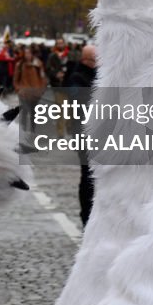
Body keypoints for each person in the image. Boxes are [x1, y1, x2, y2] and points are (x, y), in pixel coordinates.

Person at [64, 44, 98, 226]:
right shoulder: (77, 78)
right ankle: (86, 216)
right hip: (84, 133)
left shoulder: (94, 75)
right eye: (96, 60)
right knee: (88, 176)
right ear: (87, 61)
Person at [12, 45, 48, 132]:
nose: (27, 55)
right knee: (24, 112)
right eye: (26, 53)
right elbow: (15, 79)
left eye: (29, 53)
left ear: (32, 54)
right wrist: (18, 89)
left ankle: (33, 131)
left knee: (34, 113)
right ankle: (23, 131)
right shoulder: (19, 65)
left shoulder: (38, 64)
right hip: (24, 93)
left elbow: (43, 78)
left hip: (35, 93)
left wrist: (41, 90)